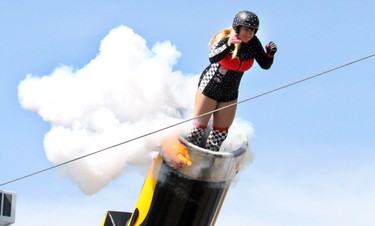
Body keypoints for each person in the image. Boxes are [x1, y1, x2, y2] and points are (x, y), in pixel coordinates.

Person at [185, 10, 277, 152]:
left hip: (230, 92)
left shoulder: (253, 44)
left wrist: (270, 54)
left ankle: (206, 166)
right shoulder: (226, 39)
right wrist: (228, 44)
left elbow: (264, 65)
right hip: (210, 87)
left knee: (219, 135)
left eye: (252, 31)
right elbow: (212, 57)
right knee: (197, 131)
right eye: (246, 30)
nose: (249, 34)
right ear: (238, 28)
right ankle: (185, 156)